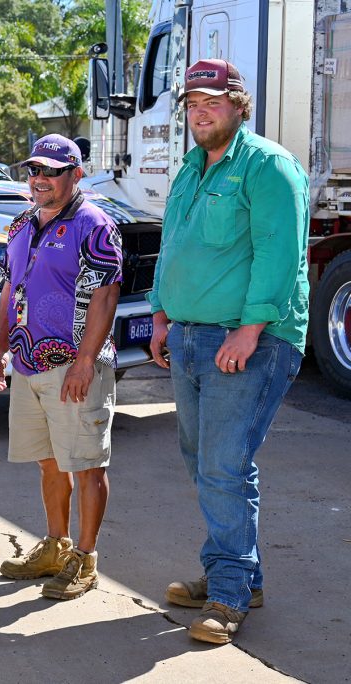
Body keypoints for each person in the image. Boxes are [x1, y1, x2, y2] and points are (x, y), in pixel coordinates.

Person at [148, 59, 309, 644]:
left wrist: (250, 329)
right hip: (190, 335)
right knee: (204, 461)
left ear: (239, 103)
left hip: (249, 340)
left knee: (222, 464)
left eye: (212, 101)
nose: (200, 111)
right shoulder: (190, 169)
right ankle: (238, 571)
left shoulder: (267, 166)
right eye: (192, 102)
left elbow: (280, 254)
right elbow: (173, 246)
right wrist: (161, 313)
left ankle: (229, 594)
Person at [0, 134, 122, 601]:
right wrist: (0, 347)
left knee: (86, 465)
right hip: (27, 363)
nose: (39, 179)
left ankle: (85, 559)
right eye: (33, 170)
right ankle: (55, 545)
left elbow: (106, 294)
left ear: (75, 174)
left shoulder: (95, 225)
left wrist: (85, 362)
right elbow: (11, 288)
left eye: (51, 171)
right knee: (48, 462)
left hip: (75, 365)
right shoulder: (22, 223)